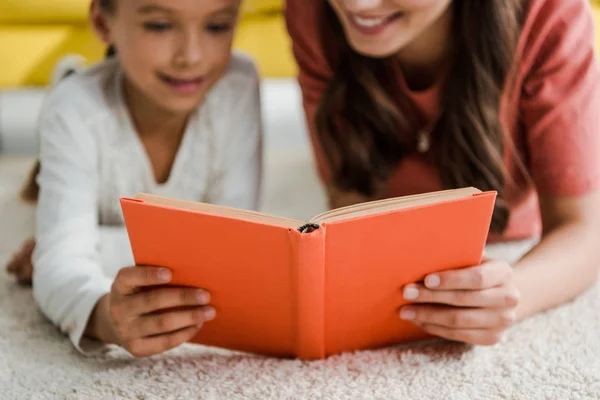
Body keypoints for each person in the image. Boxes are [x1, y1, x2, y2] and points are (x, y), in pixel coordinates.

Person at [285, 0, 600, 346]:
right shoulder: (312, 11)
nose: (358, 4)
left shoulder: (552, 12)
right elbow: (347, 200)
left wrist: (512, 291)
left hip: (507, 230)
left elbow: (584, 229)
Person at [6, 0, 262, 358]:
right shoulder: (75, 111)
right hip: (78, 108)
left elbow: (235, 246)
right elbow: (63, 271)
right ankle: (66, 81)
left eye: (217, 27)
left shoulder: (238, 83)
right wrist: (102, 317)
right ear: (102, 21)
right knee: (68, 105)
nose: (191, 57)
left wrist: (72, 247)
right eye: (159, 26)